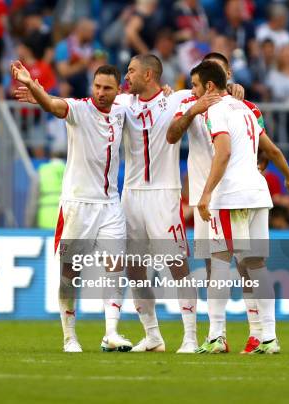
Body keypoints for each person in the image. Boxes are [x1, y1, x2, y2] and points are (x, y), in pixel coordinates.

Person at [166, 52, 289, 353]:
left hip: (229, 195)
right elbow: (272, 150)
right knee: (256, 265)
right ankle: (269, 337)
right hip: (257, 194)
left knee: (221, 264)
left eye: (196, 85)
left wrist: (206, 193)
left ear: (211, 85)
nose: (193, 91)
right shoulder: (246, 109)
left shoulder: (215, 111)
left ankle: (216, 336)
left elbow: (223, 152)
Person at [12, 62, 132, 353]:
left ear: (119, 90)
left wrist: (166, 90)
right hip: (78, 205)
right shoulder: (79, 109)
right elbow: (53, 106)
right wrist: (33, 86)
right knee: (70, 274)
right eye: (97, 87)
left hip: (110, 204)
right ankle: (69, 337)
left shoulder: (123, 109)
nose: (101, 93)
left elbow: (151, 98)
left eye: (107, 88)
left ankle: (111, 333)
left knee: (115, 266)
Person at [119, 55, 198, 353]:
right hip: (131, 195)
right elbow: (86, 103)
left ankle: (190, 337)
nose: (127, 76)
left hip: (164, 194)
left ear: (149, 74)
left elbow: (213, 91)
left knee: (177, 264)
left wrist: (236, 87)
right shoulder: (124, 104)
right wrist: (39, 95)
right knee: (134, 267)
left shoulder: (176, 100)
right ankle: (153, 336)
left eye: (131, 71)